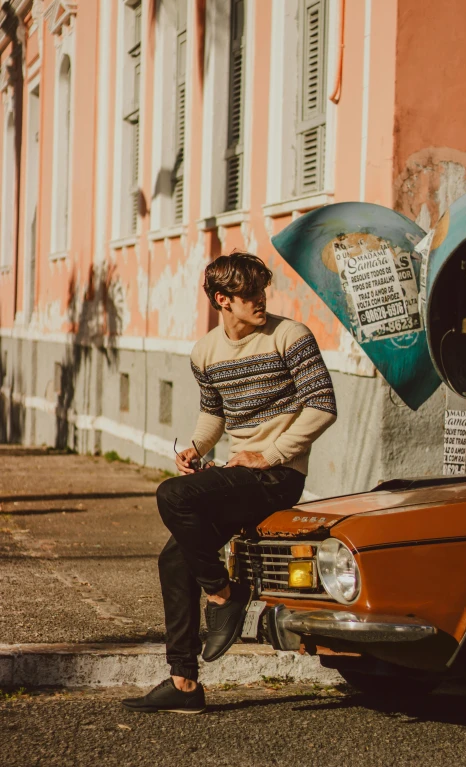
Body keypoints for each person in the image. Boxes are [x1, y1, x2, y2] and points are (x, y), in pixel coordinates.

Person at [123, 252, 337, 714]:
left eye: (262, 290)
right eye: (249, 294)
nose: (261, 299)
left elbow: (322, 405)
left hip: (278, 476)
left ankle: (225, 593)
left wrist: (271, 453)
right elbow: (214, 413)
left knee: (170, 495)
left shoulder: (290, 336)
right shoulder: (205, 352)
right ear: (223, 300)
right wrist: (197, 448)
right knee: (174, 559)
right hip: (236, 475)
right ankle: (184, 684)